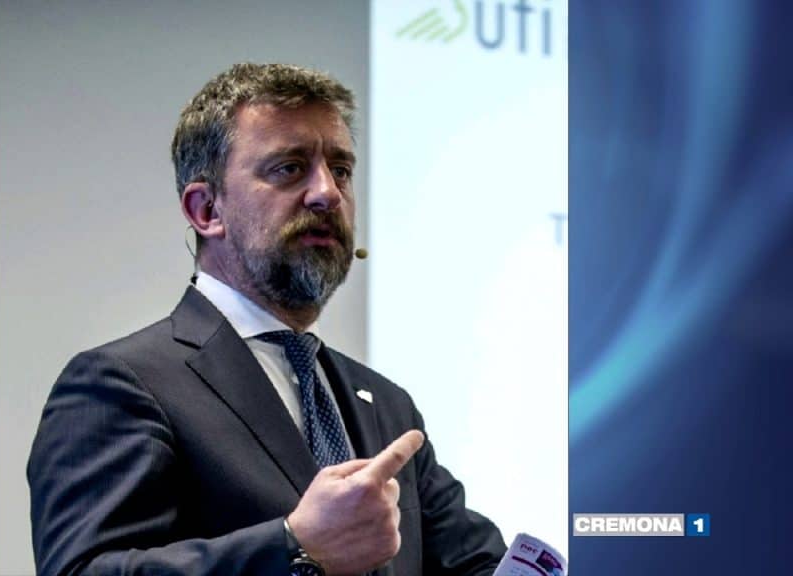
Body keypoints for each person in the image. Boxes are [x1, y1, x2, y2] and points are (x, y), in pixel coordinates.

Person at [28, 62, 506, 576]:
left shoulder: (387, 406)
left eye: (341, 170)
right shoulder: (123, 384)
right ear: (206, 210)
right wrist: (295, 547)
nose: (328, 193)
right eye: (290, 168)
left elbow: (477, 565)